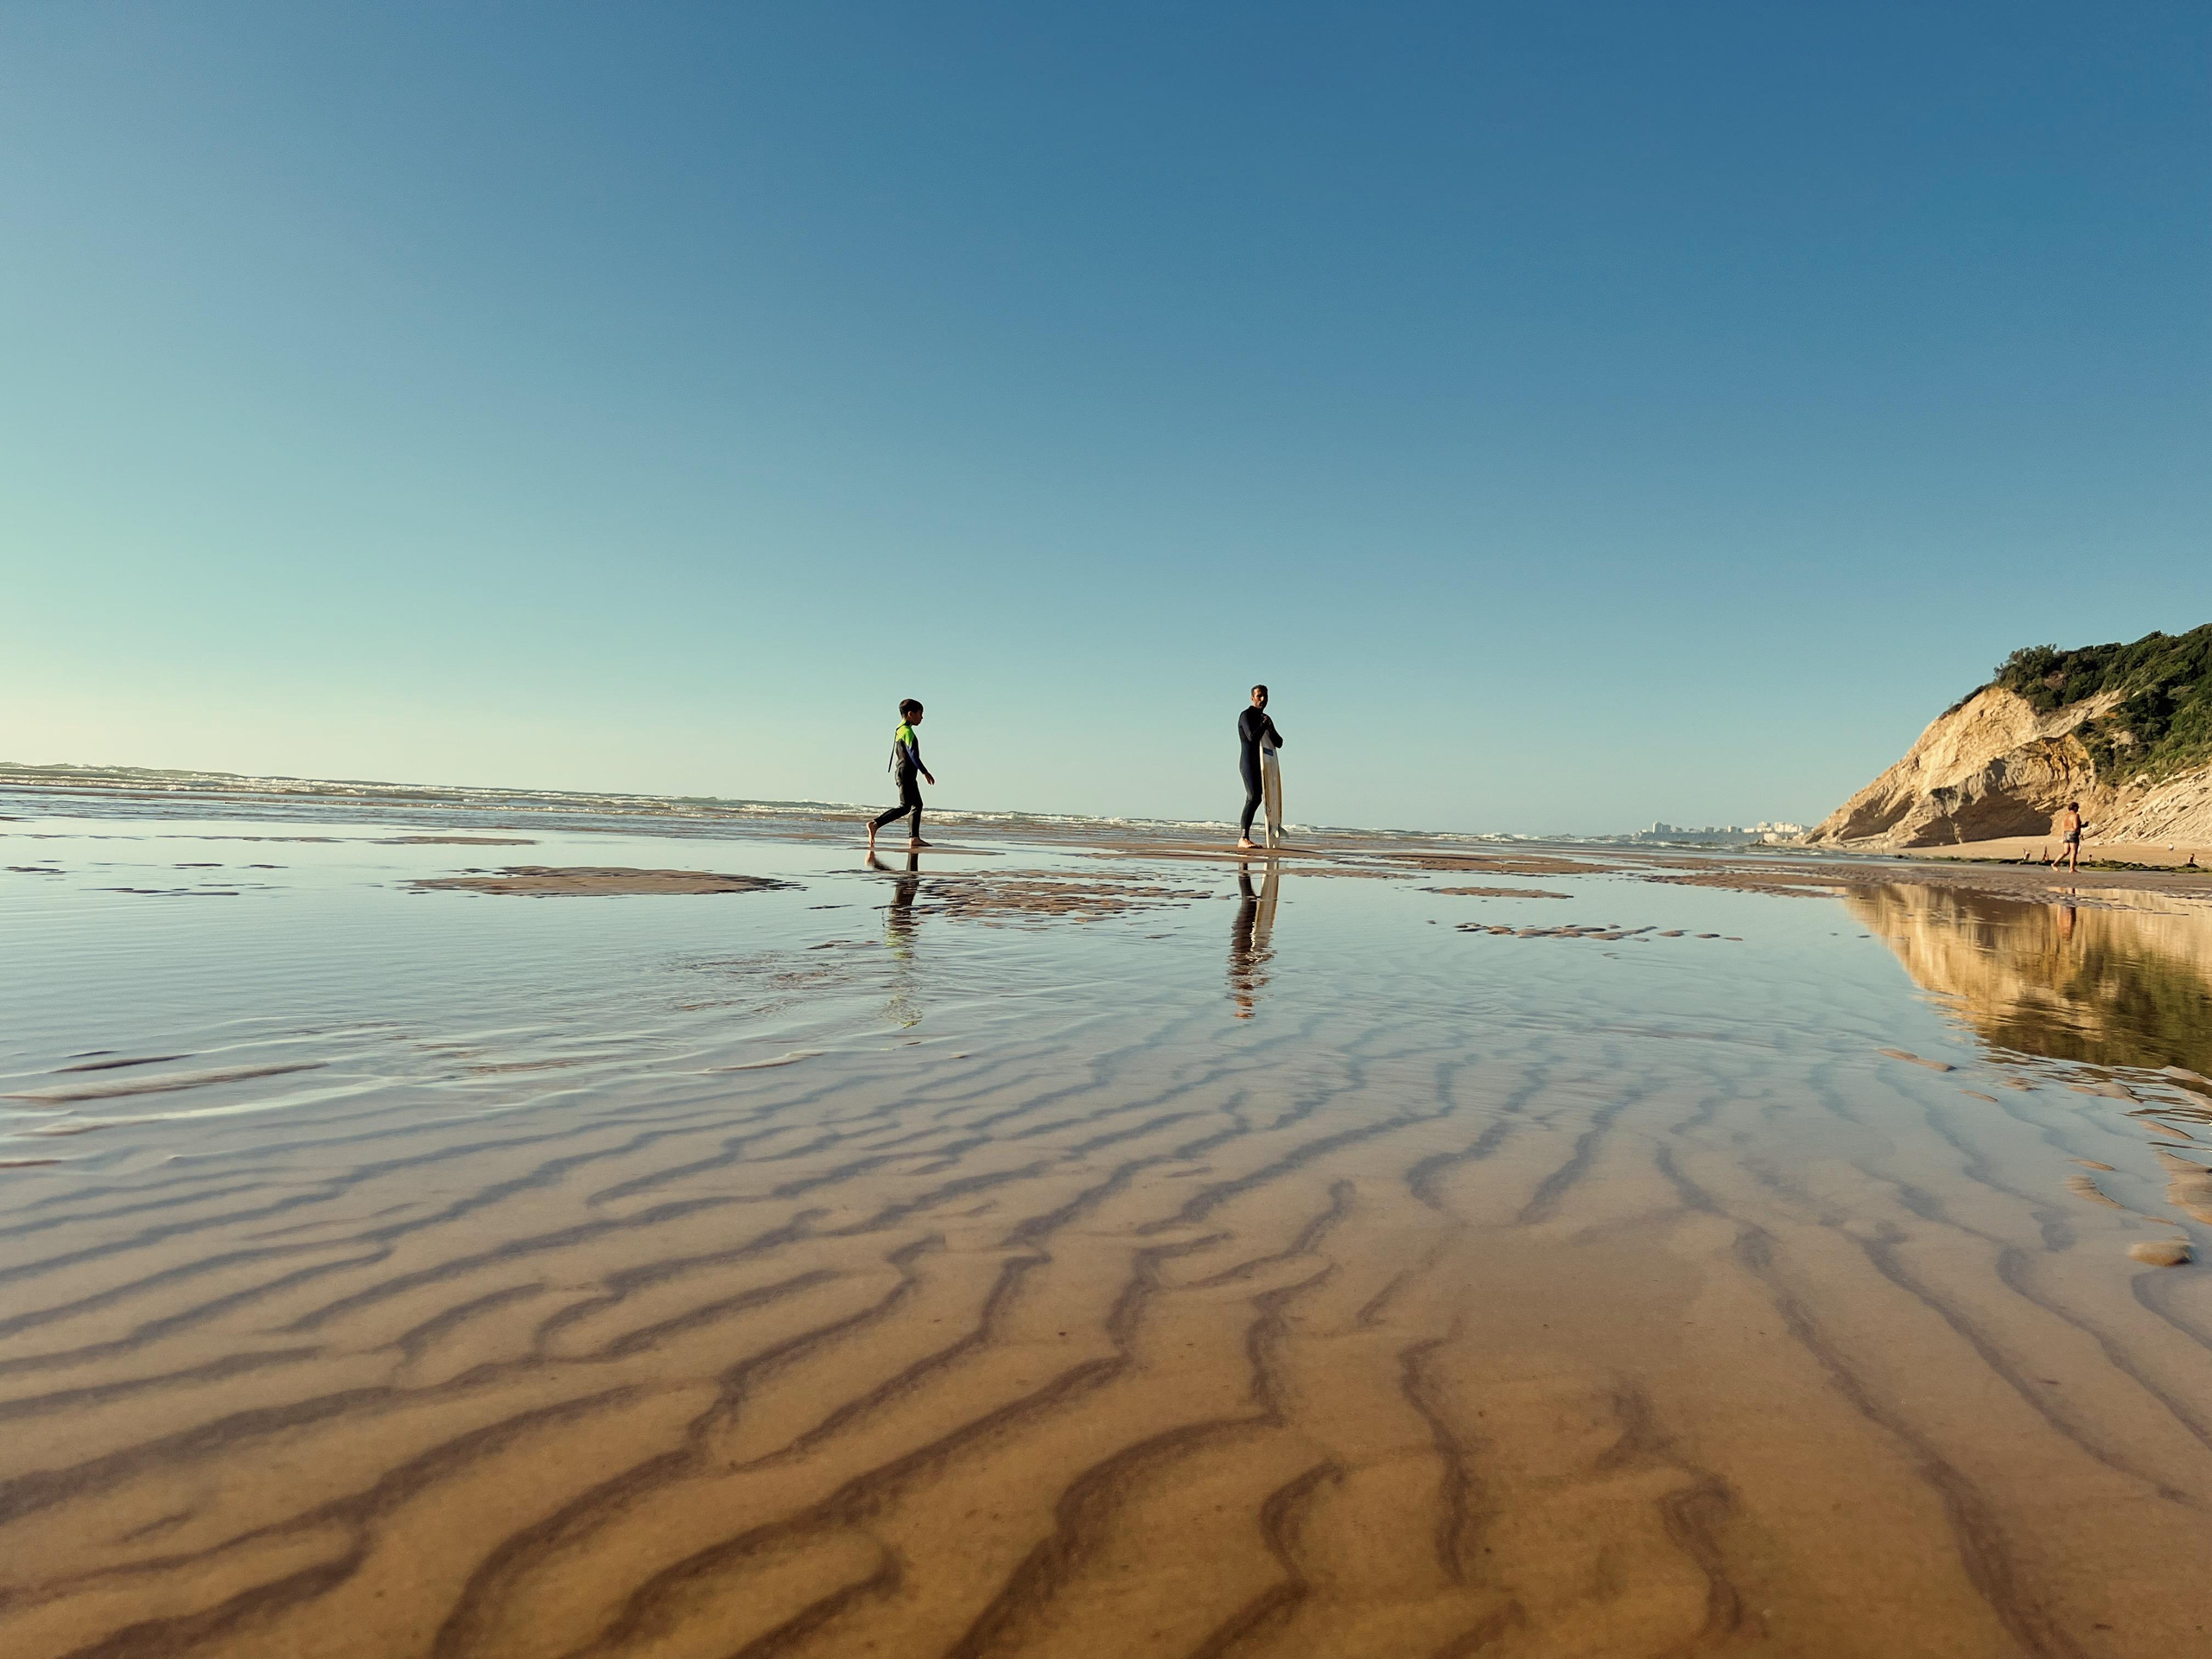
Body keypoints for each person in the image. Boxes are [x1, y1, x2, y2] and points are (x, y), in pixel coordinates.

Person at [867, 699, 936, 853]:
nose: (922, 718)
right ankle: (876, 824)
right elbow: (913, 755)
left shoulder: (899, 729)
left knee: (915, 805)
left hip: (903, 772)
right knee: (907, 806)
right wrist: (925, 772)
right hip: (906, 772)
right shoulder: (907, 731)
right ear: (911, 714)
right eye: (920, 714)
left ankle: (914, 838)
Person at [1236, 685, 1283, 851]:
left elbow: (1279, 743)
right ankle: (1243, 838)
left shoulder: (1265, 718)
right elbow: (1252, 737)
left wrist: (1269, 726)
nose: (1263, 699)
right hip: (1248, 762)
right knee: (1254, 797)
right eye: (1259, 696)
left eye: (1265, 696)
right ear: (1252, 698)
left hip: (1263, 763)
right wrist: (1264, 724)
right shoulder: (1246, 715)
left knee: (1260, 797)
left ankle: (1262, 833)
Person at [2053, 800, 2085, 874]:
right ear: (2074, 808)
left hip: (2066, 834)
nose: (2078, 809)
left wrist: (2063, 838)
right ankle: (2071, 868)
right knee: (2073, 852)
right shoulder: (2075, 815)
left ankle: (2054, 863)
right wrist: (2081, 826)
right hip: (2073, 834)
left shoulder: (2065, 816)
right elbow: (2076, 827)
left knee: (2065, 851)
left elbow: (2063, 827)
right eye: (2077, 807)